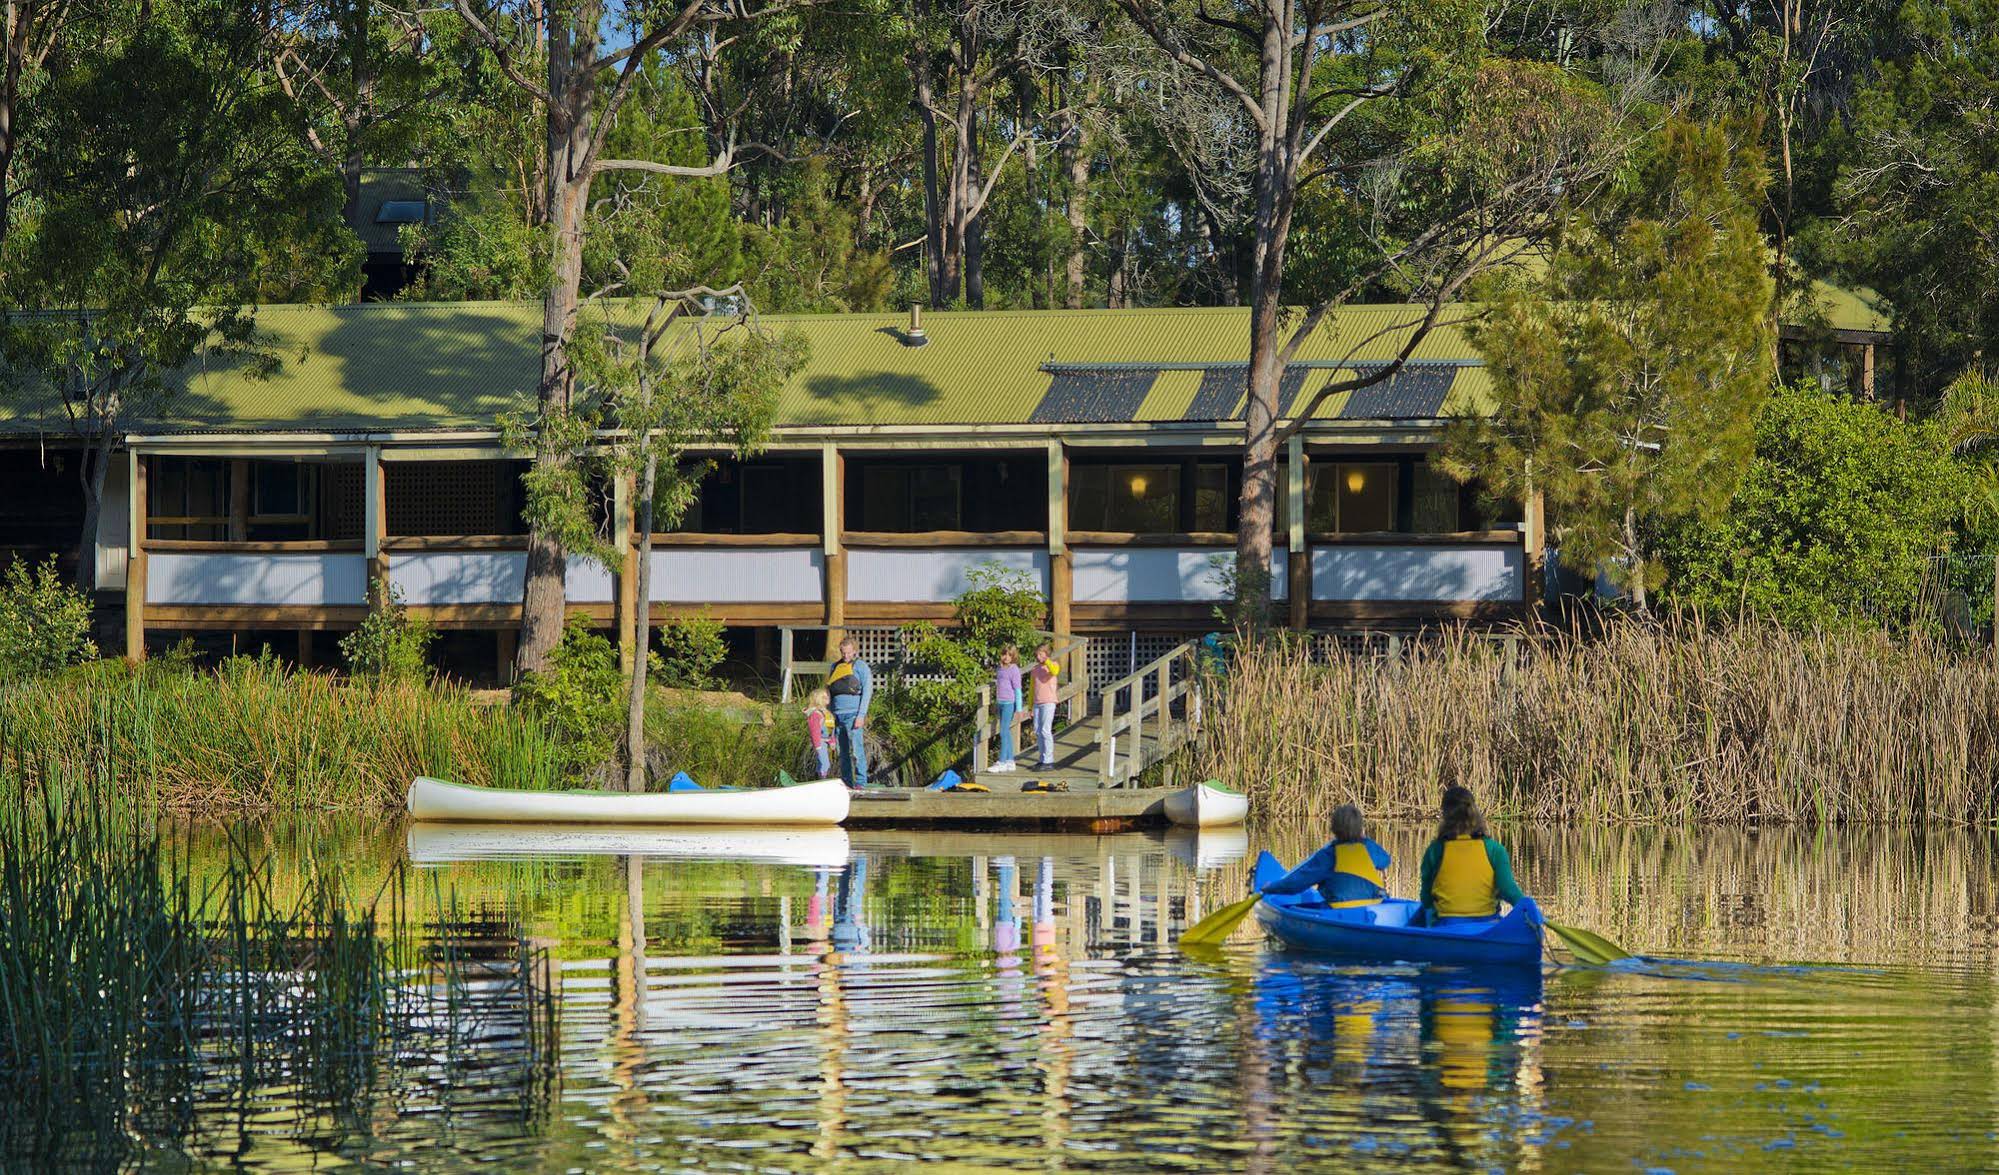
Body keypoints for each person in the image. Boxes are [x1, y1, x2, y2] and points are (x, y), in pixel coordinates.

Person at [1416, 786, 1531, 925]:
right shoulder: (1495, 850)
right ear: (1475, 811)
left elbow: (1426, 898)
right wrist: (1529, 910)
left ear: (1445, 815)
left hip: (1446, 924)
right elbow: (1508, 890)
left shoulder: (1435, 850)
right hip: (1487, 923)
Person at [1261, 803, 1392, 907]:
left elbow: (1295, 885)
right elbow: (1385, 860)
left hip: (1339, 911)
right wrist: (1365, 839)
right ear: (1360, 828)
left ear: (1334, 829)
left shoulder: (1328, 856)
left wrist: (1269, 888)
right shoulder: (1368, 847)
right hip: (1374, 908)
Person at [826, 636, 873, 790]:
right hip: (837, 716)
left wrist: (861, 715)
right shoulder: (835, 667)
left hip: (853, 715)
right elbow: (830, 692)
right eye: (843, 653)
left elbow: (867, 692)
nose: (845, 656)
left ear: (854, 651)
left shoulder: (860, 666)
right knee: (842, 752)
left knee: (857, 751)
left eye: (848, 653)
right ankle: (847, 782)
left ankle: (861, 782)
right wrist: (829, 714)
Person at [1029, 643, 1061, 769]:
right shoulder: (1035, 669)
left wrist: (1046, 660)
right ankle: (1042, 759)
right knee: (1037, 731)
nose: (1038, 656)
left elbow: (1054, 671)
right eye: (1037, 654)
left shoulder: (1053, 665)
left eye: (1041, 653)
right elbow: (1032, 688)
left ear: (1047, 654)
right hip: (1037, 703)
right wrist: (1030, 706)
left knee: (1045, 730)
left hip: (1049, 702)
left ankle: (1048, 760)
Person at [991, 645, 1022, 772]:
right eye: (1004, 654)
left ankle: (1002, 761)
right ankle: (1010, 760)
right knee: (1006, 732)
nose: (1006, 657)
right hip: (1000, 702)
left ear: (1013, 657)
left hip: (1009, 703)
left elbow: (1018, 690)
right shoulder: (999, 669)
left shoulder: (1014, 670)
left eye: (1009, 655)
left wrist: (1019, 709)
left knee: (1003, 731)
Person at [804, 688, 834, 779]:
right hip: (820, 742)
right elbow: (815, 731)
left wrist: (832, 741)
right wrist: (817, 745)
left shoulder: (827, 713)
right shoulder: (815, 714)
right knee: (825, 763)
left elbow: (831, 729)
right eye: (824, 697)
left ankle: (819, 777)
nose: (827, 698)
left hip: (827, 740)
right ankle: (822, 780)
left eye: (827, 696)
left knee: (822, 762)